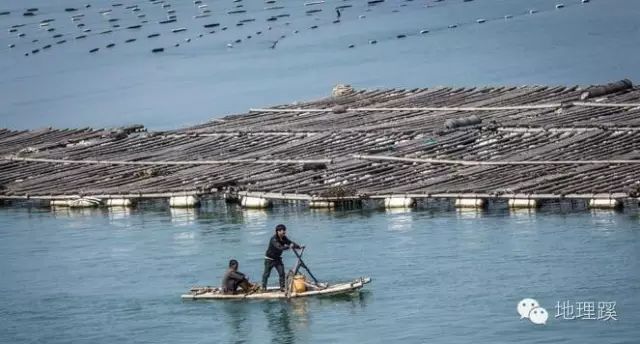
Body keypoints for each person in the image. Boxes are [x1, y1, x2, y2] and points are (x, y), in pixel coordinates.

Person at [262, 224, 303, 291]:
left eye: (284, 231)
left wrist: (299, 247)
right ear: (278, 231)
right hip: (269, 259)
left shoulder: (284, 238)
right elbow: (280, 247)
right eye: (282, 231)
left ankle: (282, 287)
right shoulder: (273, 239)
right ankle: (263, 287)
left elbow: (290, 242)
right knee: (266, 274)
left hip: (278, 259)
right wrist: (289, 247)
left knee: (282, 273)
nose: (284, 232)